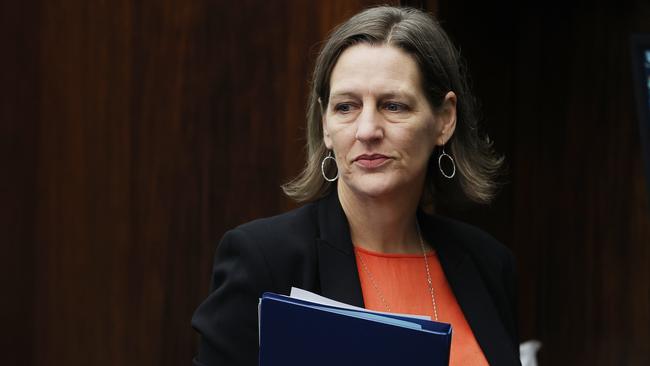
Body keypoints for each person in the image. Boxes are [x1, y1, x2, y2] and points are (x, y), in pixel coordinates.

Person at [192, 5, 520, 366]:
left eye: (393, 106)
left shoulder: (487, 263)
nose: (367, 130)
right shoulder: (264, 260)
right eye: (346, 107)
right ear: (326, 125)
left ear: (444, 119)